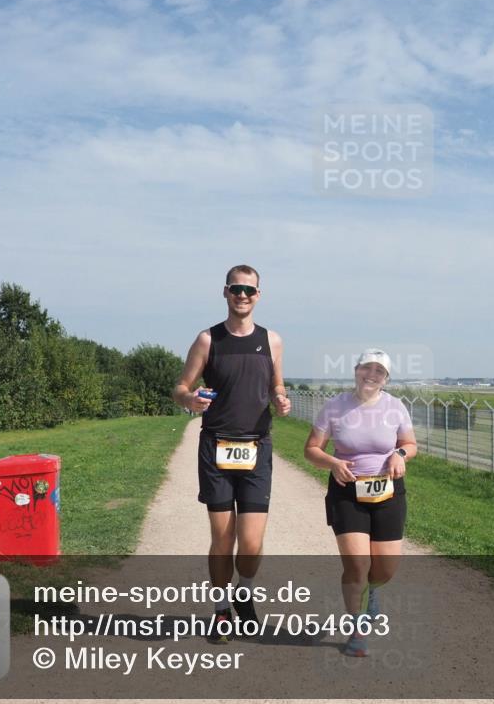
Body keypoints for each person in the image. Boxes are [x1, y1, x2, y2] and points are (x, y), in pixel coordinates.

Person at [173, 265, 290, 643]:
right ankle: (221, 608)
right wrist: (189, 398)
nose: (243, 295)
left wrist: (281, 398)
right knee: (223, 538)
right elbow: (180, 386)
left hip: (257, 446)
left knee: (252, 542)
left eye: (249, 290)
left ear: (259, 295)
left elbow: (276, 384)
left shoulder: (271, 340)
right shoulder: (208, 339)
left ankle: (245, 590)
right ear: (225, 292)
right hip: (216, 446)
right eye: (236, 289)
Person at [303, 349, 417, 657]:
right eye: (367, 368)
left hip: (388, 493)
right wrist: (332, 463)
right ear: (356, 370)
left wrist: (400, 455)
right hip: (347, 493)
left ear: (386, 379)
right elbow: (311, 449)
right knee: (357, 565)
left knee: (385, 569)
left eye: (379, 371)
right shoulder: (335, 407)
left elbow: (409, 444)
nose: (372, 375)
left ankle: (375, 591)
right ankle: (357, 628)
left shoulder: (395, 408)